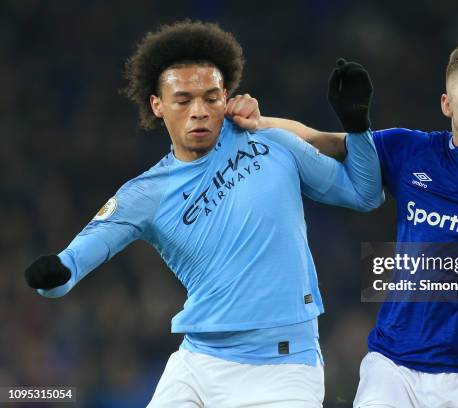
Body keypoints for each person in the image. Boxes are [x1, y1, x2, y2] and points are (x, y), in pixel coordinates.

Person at [227, 39, 458, 407]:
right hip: (392, 366)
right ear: (447, 103)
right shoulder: (410, 151)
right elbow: (320, 139)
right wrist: (259, 122)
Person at [23, 20, 384, 408]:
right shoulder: (145, 193)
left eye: (211, 98)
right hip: (198, 364)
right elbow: (72, 263)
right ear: (157, 105)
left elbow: (365, 193)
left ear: (226, 96)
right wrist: (55, 274)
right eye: (183, 100)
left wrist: (357, 126)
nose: (199, 112)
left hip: (284, 368)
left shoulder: (271, 140)